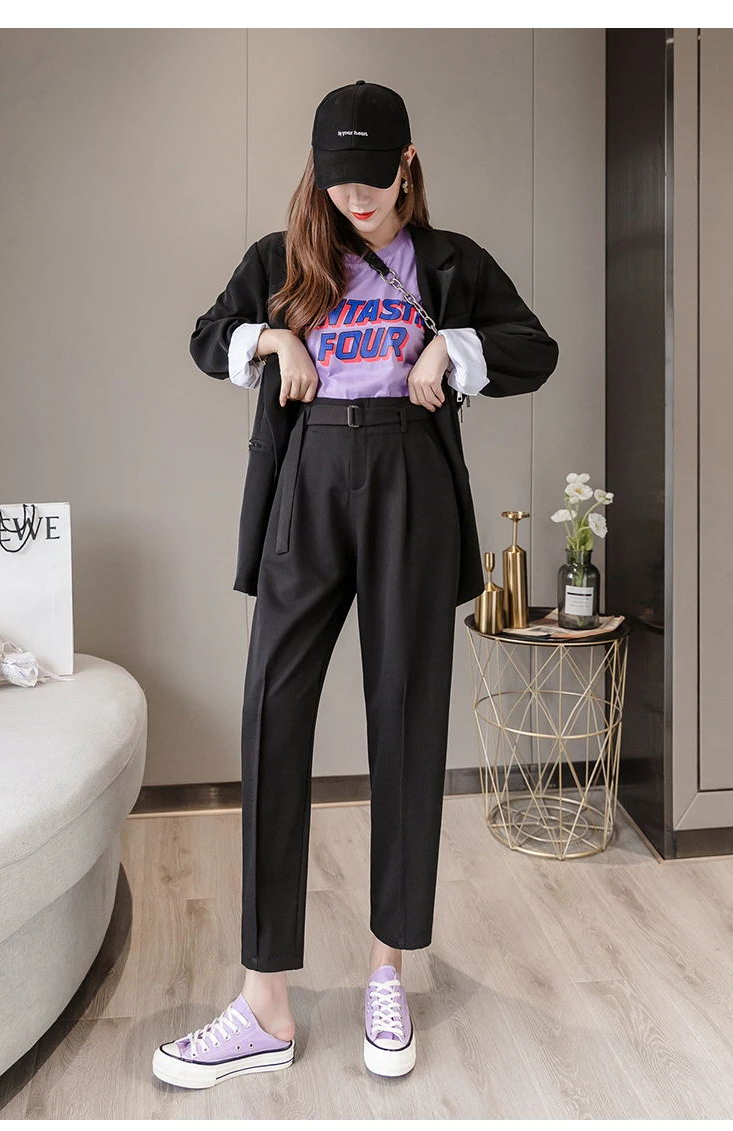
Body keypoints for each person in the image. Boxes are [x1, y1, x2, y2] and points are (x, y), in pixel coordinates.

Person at [152, 79, 559, 1090]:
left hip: (411, 481)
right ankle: (264, 1002)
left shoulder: (451, 262)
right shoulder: (284, 258)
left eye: (373, 178)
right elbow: (206, 334)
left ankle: (388, 970)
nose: (356, 198)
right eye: (339, 181)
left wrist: (450, 348)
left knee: (406, 716)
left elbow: (534, 349)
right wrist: (274, 337)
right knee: (271, 711)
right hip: (309, 477)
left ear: (406, 162)